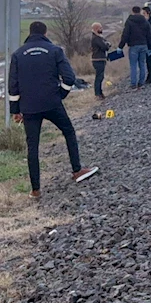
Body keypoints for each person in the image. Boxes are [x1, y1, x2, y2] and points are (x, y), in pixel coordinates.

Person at [8, 21, 99, 200]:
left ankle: (36, 190)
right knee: (69, 132)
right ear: (45, 33)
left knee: (32, 147)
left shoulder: (18, 54)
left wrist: (16, 110)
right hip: (52, 103)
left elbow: (13, 86)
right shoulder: (55, 51)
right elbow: (69, 78)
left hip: (29, 108)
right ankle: (77, 170)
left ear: (29, 33)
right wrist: (61, 95)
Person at [117, 6, 151, 90]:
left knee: (133, 65)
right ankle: (141, 83)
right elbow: (149, 35)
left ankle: (133, 84)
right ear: (140, 11)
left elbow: (125, 35)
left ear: (132, 11)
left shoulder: (129, 21)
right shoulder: (145, 22)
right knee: (142, 64)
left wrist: (120, 46)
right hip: (144, 45)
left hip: (133, 46)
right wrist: (150, 47)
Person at [90, 22, 111, 100]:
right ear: (96, 29)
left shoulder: (99, 37)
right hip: (98, 59)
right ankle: (98, 94)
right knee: (99, 77)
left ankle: (100, 93)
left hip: (100, 59)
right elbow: (104, 46)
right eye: (100, 28)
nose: (101, 29)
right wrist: (108, 45)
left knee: (100, 76)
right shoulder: (96, 38)